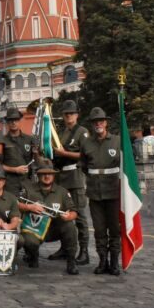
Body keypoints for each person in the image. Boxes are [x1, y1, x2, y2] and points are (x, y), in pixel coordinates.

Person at [80, 107, 122, 275]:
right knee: (99, 230)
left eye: (101, 121)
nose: (98, 124)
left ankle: (114, 262)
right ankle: (102, 260)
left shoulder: (117, 141)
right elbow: (84, 167)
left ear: (106, 123)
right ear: (92, 125)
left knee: (114, 229)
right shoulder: (86, 143)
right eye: (95, 122)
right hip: (95, 194)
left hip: (113, 192)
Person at [18, 161, 80, 275]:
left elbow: (74, 211)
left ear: (54, 175)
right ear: (38, 175)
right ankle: (33, 254)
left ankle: (71, 262)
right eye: (43, 174)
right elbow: (16, 204)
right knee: (29, 241)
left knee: (70, 227)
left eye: (49, 174)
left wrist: (69, 216)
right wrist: (29, 207)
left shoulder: (62, 192)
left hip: (54, 229)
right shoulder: (28, 189)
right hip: (34, 228)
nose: (47, 176)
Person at [49, 99, 90, 264]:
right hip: (62, 178)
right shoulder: (62, 133)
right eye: (66, 114)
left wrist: (64, 154)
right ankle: (65, 248)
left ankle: (84, 251)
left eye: (71, 113)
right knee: (61, 215)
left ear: (77, 115)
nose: (68, 116)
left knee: (79, 215)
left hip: (76, 176)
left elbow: (85, 155)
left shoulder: (82, 132)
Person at [1, 107, 34, 196]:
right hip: (9, 183)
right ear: (7, 122)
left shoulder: (29, 139)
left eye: (16, 120)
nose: (13, 122)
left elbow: (35, 161)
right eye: (10, 120)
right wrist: (15, 170)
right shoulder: (2, 141)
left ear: (20, 121)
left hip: (27, 182)